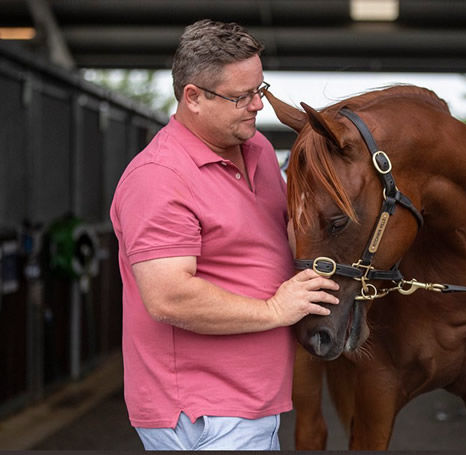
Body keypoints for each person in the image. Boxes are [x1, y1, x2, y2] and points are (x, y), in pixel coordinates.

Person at [109, 19, 339, 451]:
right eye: (241, 96)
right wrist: (275, 309)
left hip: (249, 402)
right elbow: (168, 296)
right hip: (203, 411)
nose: (258, 105)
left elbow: (279, 239)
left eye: (260, 89)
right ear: (193, 97)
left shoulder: (259, 151)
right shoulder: (159, 177)